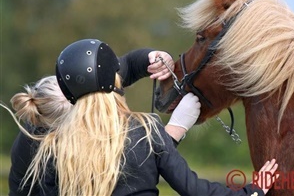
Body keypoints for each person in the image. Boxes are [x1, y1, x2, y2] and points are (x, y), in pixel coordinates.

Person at [21, 38, 278, 196]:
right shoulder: (147, 130)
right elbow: (195, 190)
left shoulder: (52, 150)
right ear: (116, 81)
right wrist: (253, 192)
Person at [6, 46, 177, 196]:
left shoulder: (85, 85)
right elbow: (138, 167)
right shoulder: (34, 150)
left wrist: (154, 58)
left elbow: (128, 65)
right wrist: (176, 130)